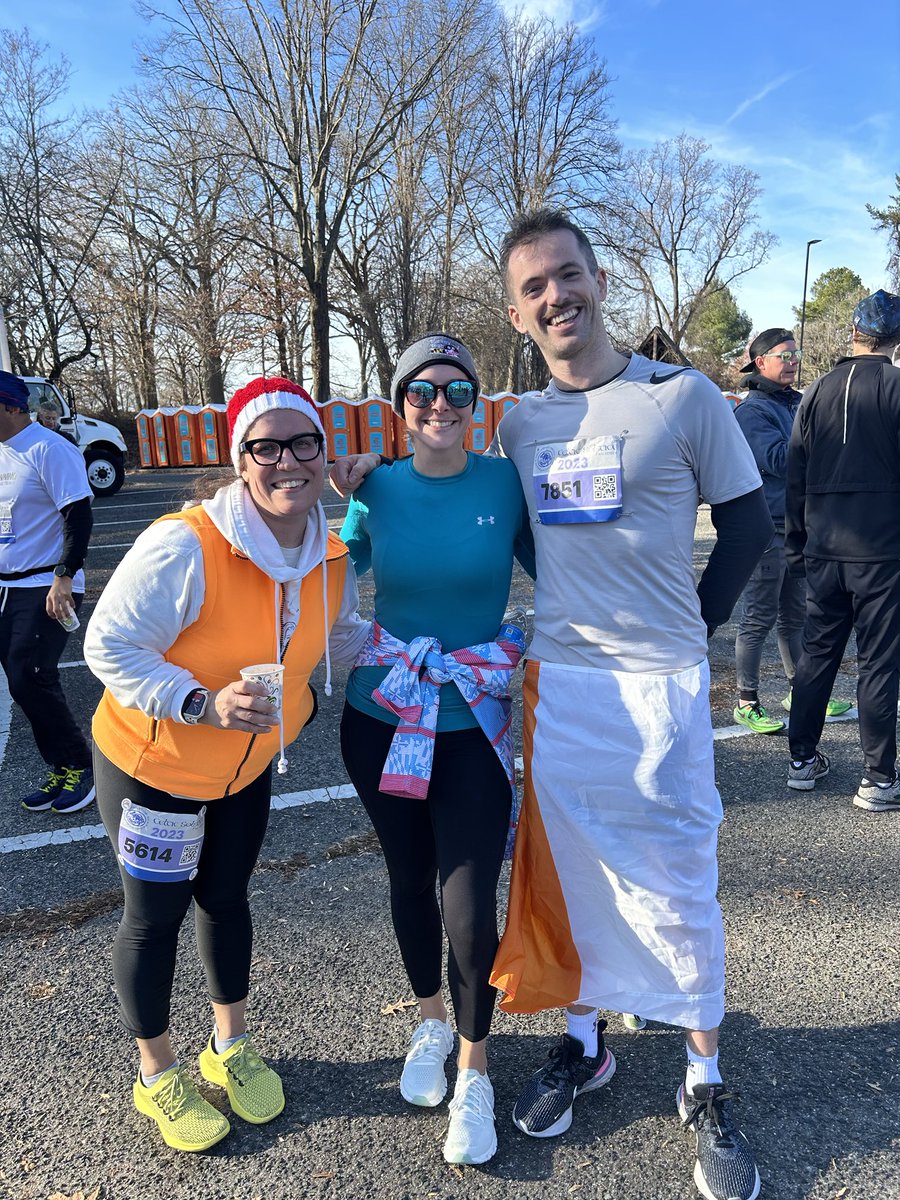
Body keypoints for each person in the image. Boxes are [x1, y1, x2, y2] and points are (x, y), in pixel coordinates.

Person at [331, 212, 771, 1200]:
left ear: (598, 278)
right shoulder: (522, 422)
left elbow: (747, 523)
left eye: (567, 276)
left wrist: (689, 632)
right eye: (534, 287)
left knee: (678, 874)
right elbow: (454, 513)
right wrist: (360, 480)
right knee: (568, 874)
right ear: (515, 310)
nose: (555, 297)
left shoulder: (685, 396)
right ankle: (585, 1042)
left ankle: (704, 1075)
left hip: (658, 687)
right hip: (560, 688)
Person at [83, 376, 369, 1153]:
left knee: (227, 900)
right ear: (240, 459)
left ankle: (229, 1045)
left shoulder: (331, 555)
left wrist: (427, 657)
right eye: (265, 447)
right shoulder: (186, 542)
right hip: (156, 765)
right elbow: (106, 646)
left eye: (302, 443)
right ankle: (155, 1076)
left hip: (245, 772)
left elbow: (338, 642)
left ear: (322, 451)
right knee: (154, 920)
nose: (287, 462)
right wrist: (202, 703)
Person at [339, 333, 534, 1166]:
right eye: (422, 393)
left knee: (467, 901)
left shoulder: (506, 482)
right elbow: (304, 569)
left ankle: (474, 1065)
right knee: (407, 880)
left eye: (458, 392)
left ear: (477, 403)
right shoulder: (373, 488)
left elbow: (571, 569)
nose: (441, 407)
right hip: (380, 716)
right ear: (398, 406)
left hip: (474, 729)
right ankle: (428, 1022)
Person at [784, 289, 900, 812]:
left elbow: (795, 473)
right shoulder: (897, 387)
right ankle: (877, 779)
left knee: (818, 654)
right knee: (878, 662)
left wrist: (796, 546)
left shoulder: (816, 391)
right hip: (882, 551)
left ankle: (802, 760)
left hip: (824, 549)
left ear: (853, 334)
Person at [732, 329, 851, 733]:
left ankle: (799, 687)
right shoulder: (752, 412)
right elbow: (780, 461)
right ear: (760, 362)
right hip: (767, 529)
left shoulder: (798, 402)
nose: (793, 360)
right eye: (784, 355)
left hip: (799, 528)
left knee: (795, 617)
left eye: (795, 353)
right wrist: (823, 434)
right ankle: (746, 700)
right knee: (758, 618)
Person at [0, 369, 95, 812]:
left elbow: (78, 516)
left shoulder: (49, 448)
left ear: (12, 406)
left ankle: (81, 766)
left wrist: (64, 577)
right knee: (22, 685)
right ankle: (61, 766)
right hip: (8, 586)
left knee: (33, 675)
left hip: (45, 584)